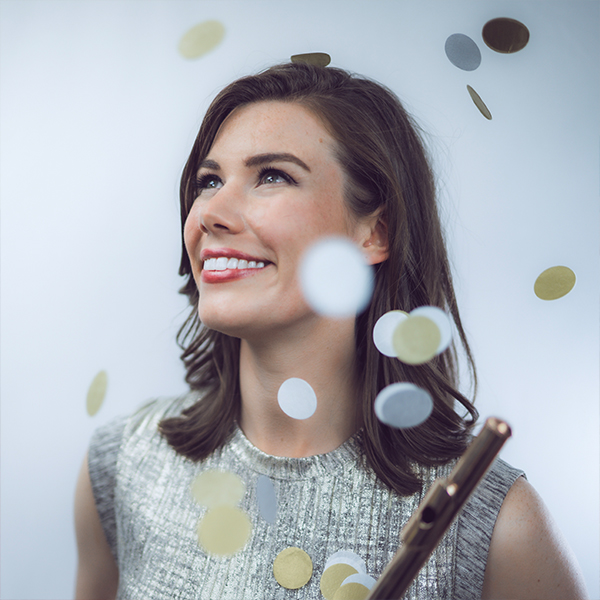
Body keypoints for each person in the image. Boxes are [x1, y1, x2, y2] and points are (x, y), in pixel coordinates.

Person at [74, 62, 588, 600]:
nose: (212, 213)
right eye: (209, 181)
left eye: (272, 175)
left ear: (375, 231)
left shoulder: (502, 526)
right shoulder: (121, 465)